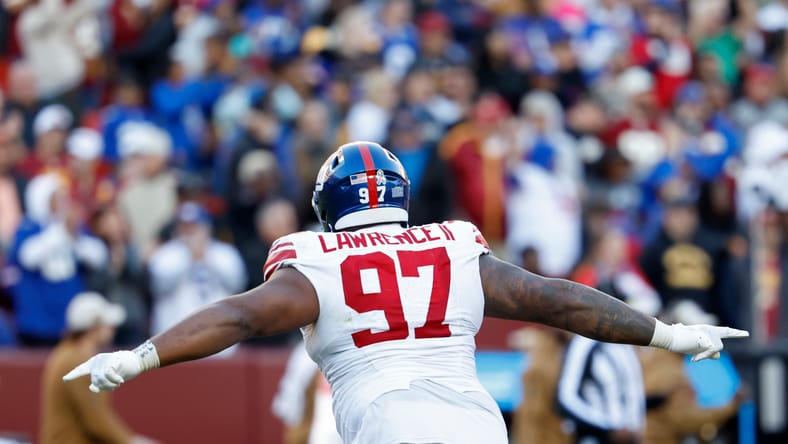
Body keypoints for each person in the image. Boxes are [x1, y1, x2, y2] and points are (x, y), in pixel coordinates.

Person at [64, 142, 748, 444]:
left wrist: (139, 357)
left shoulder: (315, 258)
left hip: (390, 426)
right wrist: (669, 334)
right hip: (478, 428)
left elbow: (239, 315)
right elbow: (559, 300)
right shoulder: (452, 245)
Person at [40, 292, 156, 444]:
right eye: (106, 323)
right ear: (93, 326)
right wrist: (132, 441)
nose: (112, 328)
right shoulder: (78, 361)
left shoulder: (65, 354)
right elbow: (96, 421)